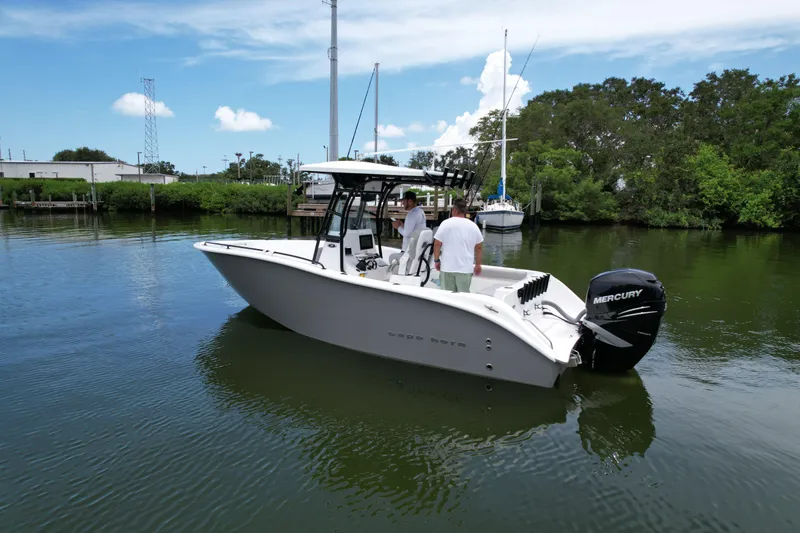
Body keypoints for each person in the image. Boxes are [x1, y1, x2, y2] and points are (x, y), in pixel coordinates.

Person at [433, 198, 483, 293]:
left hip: (447, 268)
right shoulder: (473, 226)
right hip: (465, 269)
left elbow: (437, 244)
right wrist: (478, 265)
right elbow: (479, 247)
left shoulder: (445, 224)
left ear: (454, 210)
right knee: (463, 299)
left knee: (447, 298)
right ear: (464, 211)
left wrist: (436, 260)